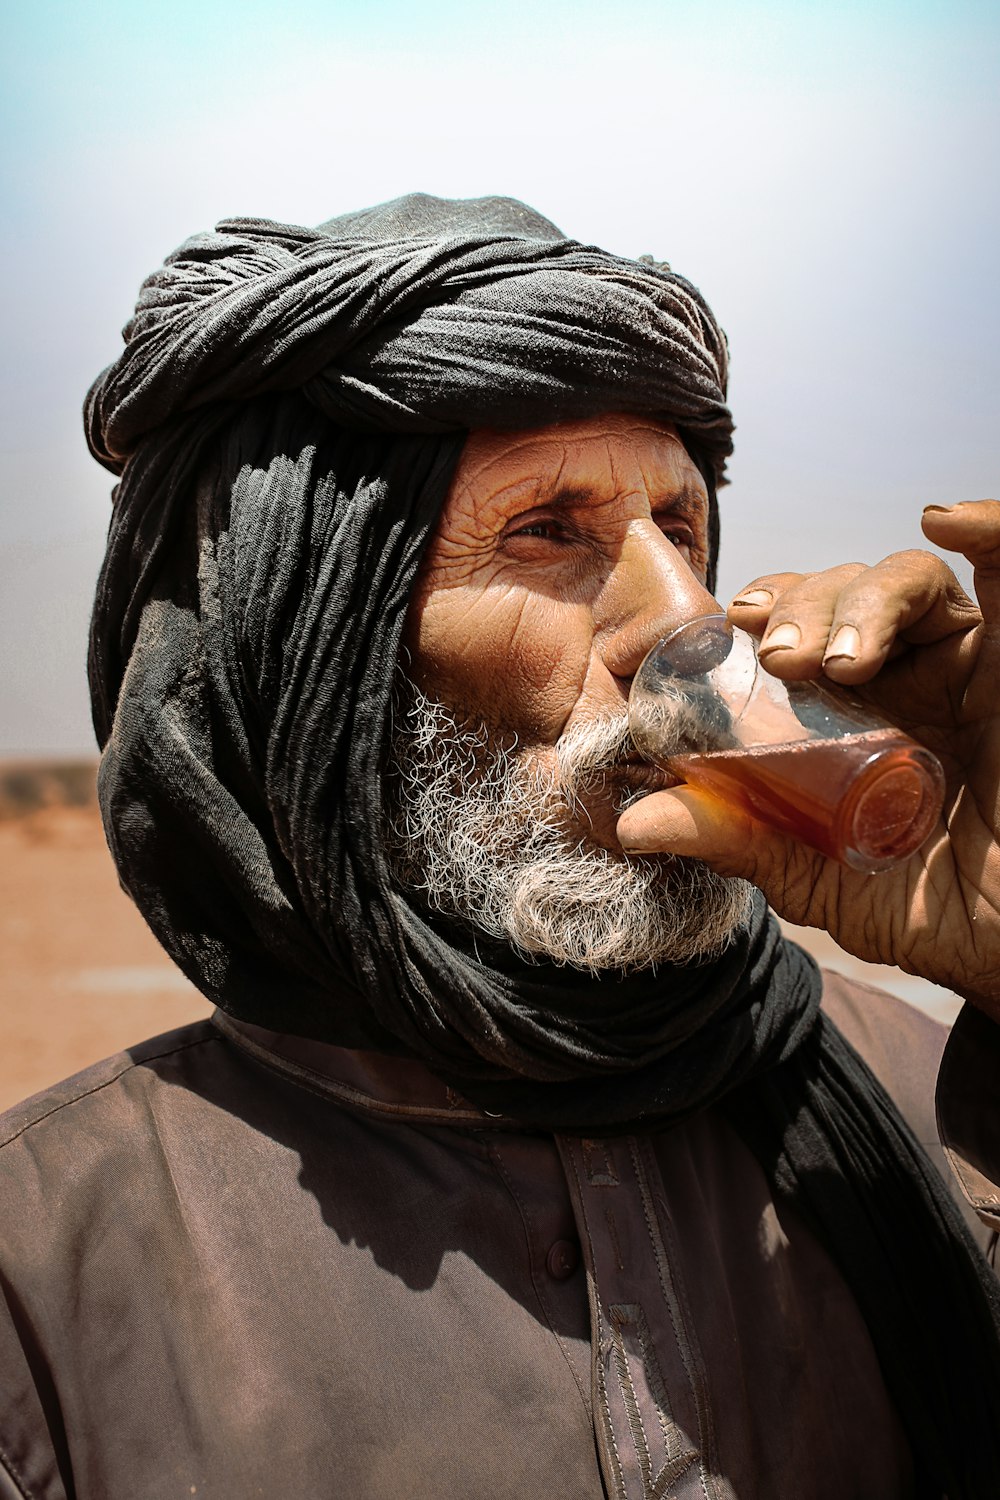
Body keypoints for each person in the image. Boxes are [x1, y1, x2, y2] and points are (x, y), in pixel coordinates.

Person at [1, 193, 999, 1500]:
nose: (682, 621)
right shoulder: (46, 1276)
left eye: (684, 530)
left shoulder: (930, 1095)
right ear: (311, 636)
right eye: (548, 532)